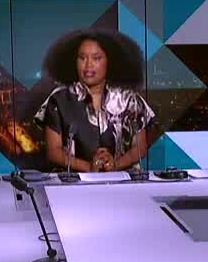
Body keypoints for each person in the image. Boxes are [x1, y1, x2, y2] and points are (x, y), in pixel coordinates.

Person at [35, 29, 155, 173]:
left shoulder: (129, 99)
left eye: (96, 58)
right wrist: (89, 168)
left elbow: (140, 147)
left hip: (121, 182)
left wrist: (115, 165)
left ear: (109, 61)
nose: (88, 65)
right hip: (73, 183)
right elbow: (53, 152)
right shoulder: (59, 99)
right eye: (82, 58)